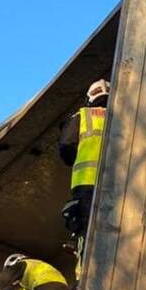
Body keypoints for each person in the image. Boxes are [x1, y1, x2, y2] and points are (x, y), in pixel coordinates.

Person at [57, 78, 109, 239]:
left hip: (86, 183)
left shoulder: (82, 116)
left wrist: (74, 158)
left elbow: (66, 145)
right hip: (117, 182)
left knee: (87, 232)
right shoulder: (124, 118)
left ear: (89, 98)